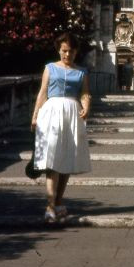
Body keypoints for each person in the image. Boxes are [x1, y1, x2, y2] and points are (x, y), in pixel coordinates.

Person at [31, 32, 92, 222]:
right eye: (64, 51)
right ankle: (49, 205)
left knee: (67, 158)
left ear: (76, 52)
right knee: (52, 158)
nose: (67, 55)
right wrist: (35, 116)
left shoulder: (82, 72)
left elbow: (85, 93)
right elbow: (42, 93)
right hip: (52, 111)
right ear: (59, 50)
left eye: (71, 52)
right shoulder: (50, 68)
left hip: (72, 113)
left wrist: (87, 106)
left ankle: (58, 202)